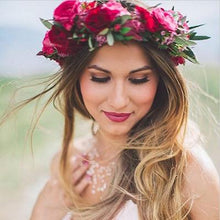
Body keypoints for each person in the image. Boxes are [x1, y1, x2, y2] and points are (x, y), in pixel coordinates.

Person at [3, 0, 219, 219]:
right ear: (76, 78)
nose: (118, 101)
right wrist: (45, 211)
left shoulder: (185, 167)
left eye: (138, 79)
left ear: (160, 82)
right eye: (100, 78)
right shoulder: (69, 161)